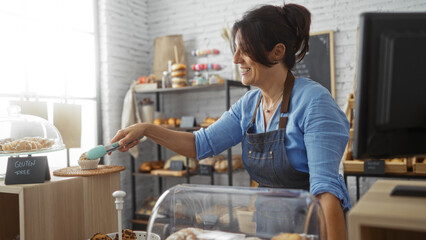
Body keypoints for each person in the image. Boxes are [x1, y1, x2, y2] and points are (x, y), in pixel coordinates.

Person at [111, 3, 350, 240]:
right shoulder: (250, 104)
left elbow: (326, 192)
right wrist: (147, 129)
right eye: (236, 50)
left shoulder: (314, 102)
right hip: (266, 228)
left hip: (311, 230)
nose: (236, 59)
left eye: (244, 50)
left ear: (277, 52)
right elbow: (199, 145)